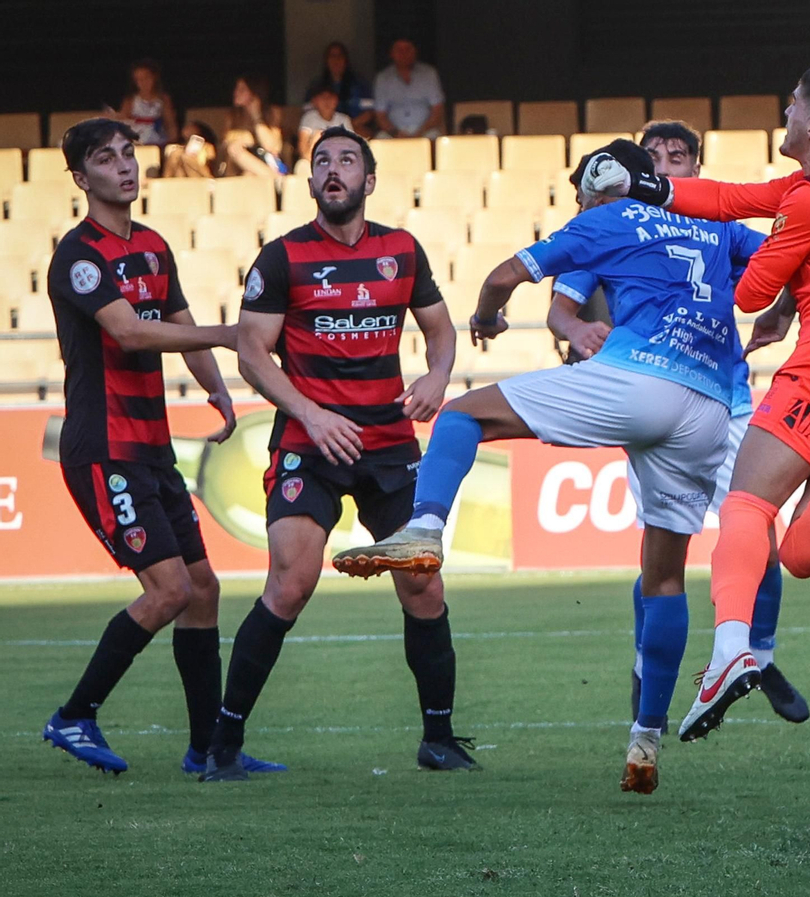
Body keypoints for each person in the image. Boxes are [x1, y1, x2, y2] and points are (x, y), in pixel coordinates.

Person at [332, 139, 767, 795]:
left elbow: (505, 276)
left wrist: (485, 317)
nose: (580, 204)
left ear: (598, 184)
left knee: (462, 416)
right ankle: (645, 741)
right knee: (665, 572)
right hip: (711, 405)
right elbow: (783, 267)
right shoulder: (713, 222)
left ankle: (424, 526)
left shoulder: (605, 218)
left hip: (640, 379)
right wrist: (783, 314)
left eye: (581, 192)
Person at [583, 64, 810, 742]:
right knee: (799, 553)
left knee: (745, 504)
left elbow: (744, 294)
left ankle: (731, 645)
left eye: (793, 103)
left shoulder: (809, 202)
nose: (785, 109)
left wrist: (762, 296)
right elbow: (734, 196)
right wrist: (644, 185)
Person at [201, 126, 463, 781]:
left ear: (369, 181)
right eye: (322, 161)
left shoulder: (401, 250)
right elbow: (253, 350)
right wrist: (311, 415)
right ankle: (223, 747)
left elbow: (440, 329)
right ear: (311, 181)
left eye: (347, 160)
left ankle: (439, 738)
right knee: (291, 581)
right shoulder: (282, 258)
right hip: (307, 443)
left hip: (387, 442)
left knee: (423, 579)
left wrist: (435, 376)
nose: (333, 169)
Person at [40, 119, 283, 778]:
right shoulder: (79, 255)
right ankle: (74, 713)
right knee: (171, 588)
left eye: (128, 153)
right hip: (103, 448)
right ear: (81, 177)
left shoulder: (151, 245)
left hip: (151, 449)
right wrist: (235, 334)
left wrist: (220, 391)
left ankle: (208, 751)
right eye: (105, 158)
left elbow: (178, 324)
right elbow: (131, 334)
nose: (124, 166)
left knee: (203, 588)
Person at [551, 120, 808, 726]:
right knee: (662, 558)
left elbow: (792, 257)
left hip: (731, 402)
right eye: (654, 156)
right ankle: (649, 663)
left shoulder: (720, 226)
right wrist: (578, 330)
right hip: (658, 405)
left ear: (696, 168)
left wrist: (784, 309)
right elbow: (561, 306)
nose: (665, 165)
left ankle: (758, 655)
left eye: (678, 155)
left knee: (756, 535)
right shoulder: (617, 226)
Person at [373, 38, 444, 139]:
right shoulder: (383, 78)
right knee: (380, 139)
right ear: (392, 53)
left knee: (436, 138)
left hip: (425, 131)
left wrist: (420, 132)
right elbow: (380, 116)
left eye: (408, 49)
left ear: (415, 51)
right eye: (399, 50)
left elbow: (437, 110)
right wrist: (396, 133)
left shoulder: (429, 74)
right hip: (394, 133)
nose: (404, 54)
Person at [303, 41, 374, 137]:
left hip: (356, 129)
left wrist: (349, 124)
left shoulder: (360, 84)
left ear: (346, 60)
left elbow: (370, 112)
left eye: (340, 56)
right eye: (332, 56)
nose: (336, 60)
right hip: (323, 130)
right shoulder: (316, 86)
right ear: (326, 60)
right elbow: (308, 113)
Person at [223, 74, 286, 178]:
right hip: (239, 165)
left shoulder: (272, 112)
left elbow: (272, 147)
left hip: (266, 162)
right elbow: (227, 140)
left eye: (242, 89)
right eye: (236, 89)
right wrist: (251, 139)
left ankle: (273, 177)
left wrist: (257, 116)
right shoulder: (233, 115)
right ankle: (275, 178)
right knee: (234, 149)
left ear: (254, 93)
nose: (236, 93)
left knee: (249, 176)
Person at [116, 58, 177, 147]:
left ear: (154, 78)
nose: (143, 83)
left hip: (159, 141)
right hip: (137, 141)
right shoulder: (131, 100)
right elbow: (123, 122)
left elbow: (170, 122)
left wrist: (173, 142)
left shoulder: (163, 99)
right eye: (139, 80)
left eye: (146, 78)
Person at [298, 84, 354, 161]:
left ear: (336, 100)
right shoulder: (309, 118)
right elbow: (303, 147)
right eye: (322, 98)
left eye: (330, 98)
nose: (327, 101)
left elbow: (351, 144)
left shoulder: (343, 119)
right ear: (314, 101)